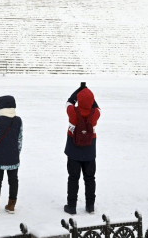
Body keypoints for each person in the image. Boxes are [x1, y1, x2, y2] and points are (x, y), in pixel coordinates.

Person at [64, 83, 100, 215]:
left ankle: (71, 206)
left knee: (73, 178)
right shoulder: (95, 113)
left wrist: (80, 90)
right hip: (89, 151)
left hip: (73, 150)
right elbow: (95, 105)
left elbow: (69, 101)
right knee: (90, 178)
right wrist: (87, 92)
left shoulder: (73, 112)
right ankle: (90, 205)